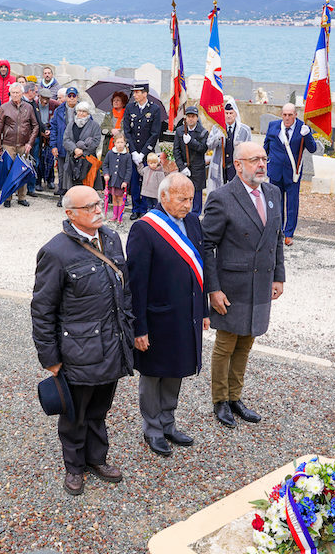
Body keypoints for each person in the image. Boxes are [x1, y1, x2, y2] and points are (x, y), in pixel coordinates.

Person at [31, 184, 134, 496]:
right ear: (70, 214)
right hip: (78, 350)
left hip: (111, 345)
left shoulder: (112, 238)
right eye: (89, 207)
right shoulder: (56, 251)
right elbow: (42, 308)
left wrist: (130, 334)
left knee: (100, 409)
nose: (98, 209)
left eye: (98, 203)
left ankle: (97, 458)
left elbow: (124, 289)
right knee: (75, 414)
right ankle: (74, 467)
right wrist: (50, 358)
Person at [201, 141, 285, 427]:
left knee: (247, 343)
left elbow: (276, 238)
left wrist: (278, 276)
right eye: (254, 160)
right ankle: (220, 401)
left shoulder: (273, 193)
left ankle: (235, 397)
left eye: (263, 159)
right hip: (231, 286)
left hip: (261, 282)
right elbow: (206, 246)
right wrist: (212, 289)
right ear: (238, 165)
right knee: (226, 345)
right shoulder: (222, 197)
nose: (261, 165)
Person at [127, 173, 207, 456]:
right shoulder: (145, 229)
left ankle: (168, 422)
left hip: (186, 316)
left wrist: (204, 311)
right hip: (156, 316)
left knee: (177, 369)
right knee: (153, 375)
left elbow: (201, 269)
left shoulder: (193, 222)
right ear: (163, 197)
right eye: (182, 199)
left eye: (191, 198)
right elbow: (136, 284)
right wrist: (139, 328)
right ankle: (152, 427)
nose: (188, 204)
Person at [265, 103, 318, 245]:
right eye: (284, 115)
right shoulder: (273, 126)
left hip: (292, 173)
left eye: (290, 115)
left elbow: (312, 149)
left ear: (295, 114)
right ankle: (277, 231)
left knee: (292, 205)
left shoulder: (303, 127)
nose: (287, 118)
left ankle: (289, 234)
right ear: (281, 114)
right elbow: (266, 147)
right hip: (275, 171)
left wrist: (307, 136)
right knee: (276, 203)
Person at [122, 82, 165, 219]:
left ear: (145, 93)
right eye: (134, 92)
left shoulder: (154, 109)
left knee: (148, 182)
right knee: (134, 181)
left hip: (148, 153)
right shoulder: (130, 108)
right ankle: (136, 208)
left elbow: (155, 132)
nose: (135, 94)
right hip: (134, 151)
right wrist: (134, 152)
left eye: (138, 92)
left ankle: (146, 209)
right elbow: (127, 131)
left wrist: (143, 153)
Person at [0, 82, 39, 208]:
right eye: (13, 93)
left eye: (17, 92)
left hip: (24, 144)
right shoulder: (4, 107)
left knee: (22, 170)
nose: (15, 95)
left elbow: (35, 126)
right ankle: (8, 196)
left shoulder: (28, 107)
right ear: (10, 93)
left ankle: (22, 197)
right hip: (8, 144)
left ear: (22, 93)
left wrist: (30, 143)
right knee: (8, 171)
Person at [206, 97, 252, 192]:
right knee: (220, 193)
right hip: (220, 167)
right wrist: (218, 137)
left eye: (231, 113)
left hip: (236, 168)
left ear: (235, 114)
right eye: (226, 113)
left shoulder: (244, 130)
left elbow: (249, 150)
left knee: (236, 193)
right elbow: (209, 146)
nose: (228, 116)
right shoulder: (216, 128)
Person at [172, 106, 209, 215]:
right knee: (182, 193)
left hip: (198, 168)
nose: (190, 119)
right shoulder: (180, 131)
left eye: (193, 116)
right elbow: (176, 151)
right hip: (184, 167)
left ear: (197, 118)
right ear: (186, 118)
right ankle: (182, 214)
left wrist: (191, 142)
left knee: (197, 194)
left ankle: (195, 216)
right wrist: (182, 167)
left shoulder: (203, 132)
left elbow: (203, 148)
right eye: (188, 116)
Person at [62, 100, 101, 190]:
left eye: (84, 111)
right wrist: (75, 149)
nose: (81, 113)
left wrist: (82, 151)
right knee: (72, 186)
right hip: (72, 158)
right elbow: (66, 139)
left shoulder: (94, 125)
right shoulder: (71, 125)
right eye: (79, 111)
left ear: (88, 113)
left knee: (87, 187)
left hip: (87, 160)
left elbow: (96, 141)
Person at [50, 87, 80, 203]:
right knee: (62, 173)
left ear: (77, 97)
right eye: (69, 96)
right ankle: (62, 196)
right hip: (62, 146)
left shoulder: (82, 109)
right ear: (66, 97)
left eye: (74, 96)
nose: (71, 98)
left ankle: (74, 197)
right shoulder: (59, 110)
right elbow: (54, 129)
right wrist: (53, 146)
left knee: (75, 172)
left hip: (76, 147)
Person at [102, 133, 132, 221]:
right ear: (114, 143)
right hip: (112, 180)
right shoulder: (110, 153)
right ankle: (115, 215)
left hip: (121, 181)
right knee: (114, 197)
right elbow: (105, 165)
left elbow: (129, 170)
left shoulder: (127, 155)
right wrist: (106, 174)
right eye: (118, 142)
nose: (120, 144)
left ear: (125, 143)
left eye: (122, 142)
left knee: (120, 198)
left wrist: (125, 181)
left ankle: (120, 215)